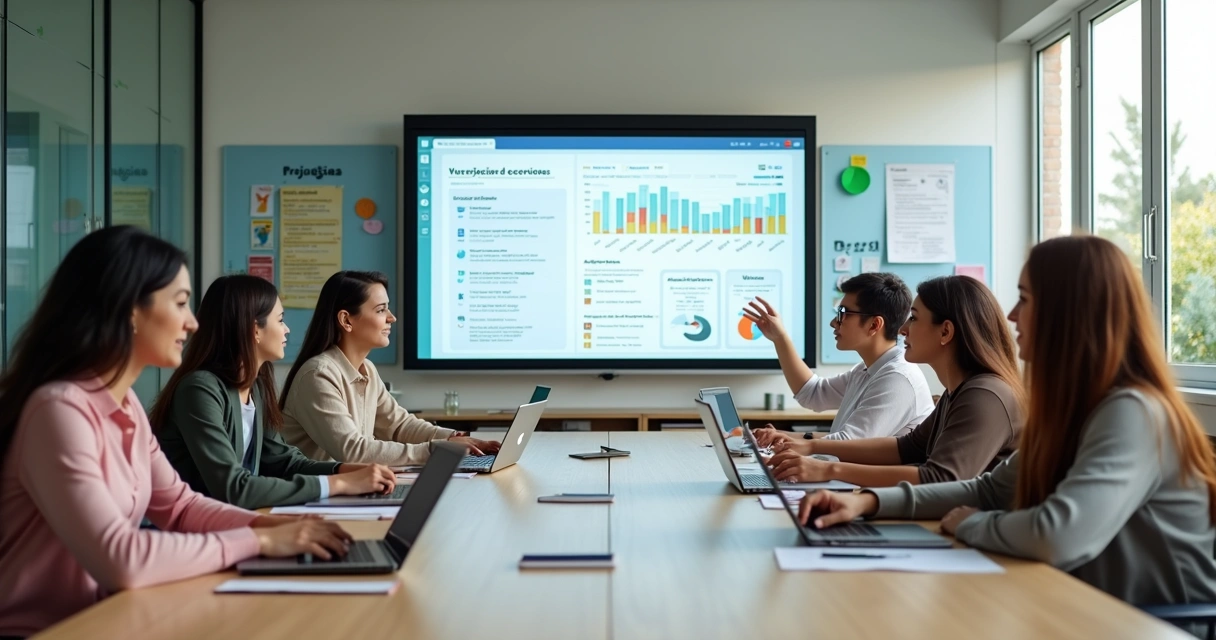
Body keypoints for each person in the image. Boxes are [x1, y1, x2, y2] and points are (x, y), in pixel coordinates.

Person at [798, 236, 1216, 607]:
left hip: (1157, 624)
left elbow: (1055, 536)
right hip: (1092, 607)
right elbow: (989, 489)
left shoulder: (1133, 411)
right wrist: (866, 503)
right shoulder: (1074, 408)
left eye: (1025, 299)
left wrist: (973, 524)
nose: (1013, 315)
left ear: (1068, 312)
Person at [0, 227, 352, 638]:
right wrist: (258, 542)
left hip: (108, 618)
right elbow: (120, 557)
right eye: (181, 303)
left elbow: (182, 507)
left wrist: (270, 528)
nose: (192, 322)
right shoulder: (59, 410)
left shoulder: (126, 406)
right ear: (130, 310)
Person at [152, 275, 399, 509]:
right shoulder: (200, 390)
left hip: (229, 520)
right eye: (280, 320)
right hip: (186, 529)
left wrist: (343, 470)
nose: (287, 329)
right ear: (255, 330)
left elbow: (285, 462)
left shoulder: (256, 387)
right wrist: (340, 484)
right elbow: (233, 488)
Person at [763, 276, 1023, 487]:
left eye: (914, 318)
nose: (902, 329)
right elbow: (905, 447)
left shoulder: (983, 395)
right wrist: (810, 445)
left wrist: (826, 466)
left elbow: (940, 479)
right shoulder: (957, 392)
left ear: (945, 331)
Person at [279, 271, 499, 465]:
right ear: (346, 320)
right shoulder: (318, 374)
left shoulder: (366, 369)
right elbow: (352, 451)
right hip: (318, 493)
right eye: (381, 310)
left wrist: (456, 438)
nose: (392, 318)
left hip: (351, 488)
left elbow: (399, 426)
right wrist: (437, 449)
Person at [746, 272, 933, 442]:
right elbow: (813, 394)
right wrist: (779, 338)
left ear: (874, 325)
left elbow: (849, 445)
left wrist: (792, 442)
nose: (833, 322)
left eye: (843, 313)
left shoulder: (897, 378)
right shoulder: (867, 370)